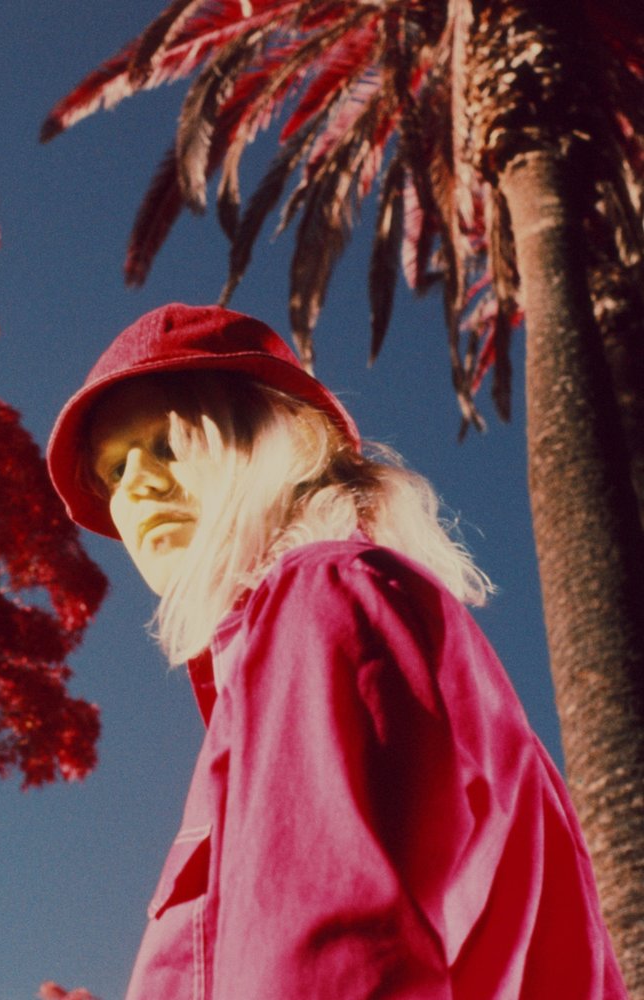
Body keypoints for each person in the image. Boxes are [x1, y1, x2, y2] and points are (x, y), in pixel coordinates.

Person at [46, 302, 627, 999]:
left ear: (283, 437)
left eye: (168, 444)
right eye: (114, 471)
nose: (137, 485)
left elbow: (332, 970)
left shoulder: (321, 596)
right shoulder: (348, 617)